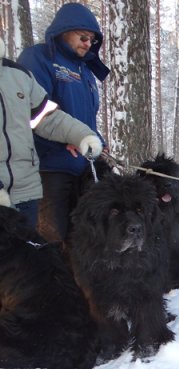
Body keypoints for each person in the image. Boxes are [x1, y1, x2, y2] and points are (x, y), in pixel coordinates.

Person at [18, 2, 110, 243]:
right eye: (82, 36)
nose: (87, 43)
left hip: (83, 169)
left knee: (85, 238)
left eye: (91, 39)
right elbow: (33, 110)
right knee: (53, 238)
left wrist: (98, 141)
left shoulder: (85, 72)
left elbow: (86, 117)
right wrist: (70, 137)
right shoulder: (38, 58)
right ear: (63, 31)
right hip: (49, 166)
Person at [0, 37, 102, 227]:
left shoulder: (18, 75)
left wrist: (81, 136)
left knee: (27, 254)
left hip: (25, 195)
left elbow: (47, 118)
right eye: (83, 36)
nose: (88, 42)